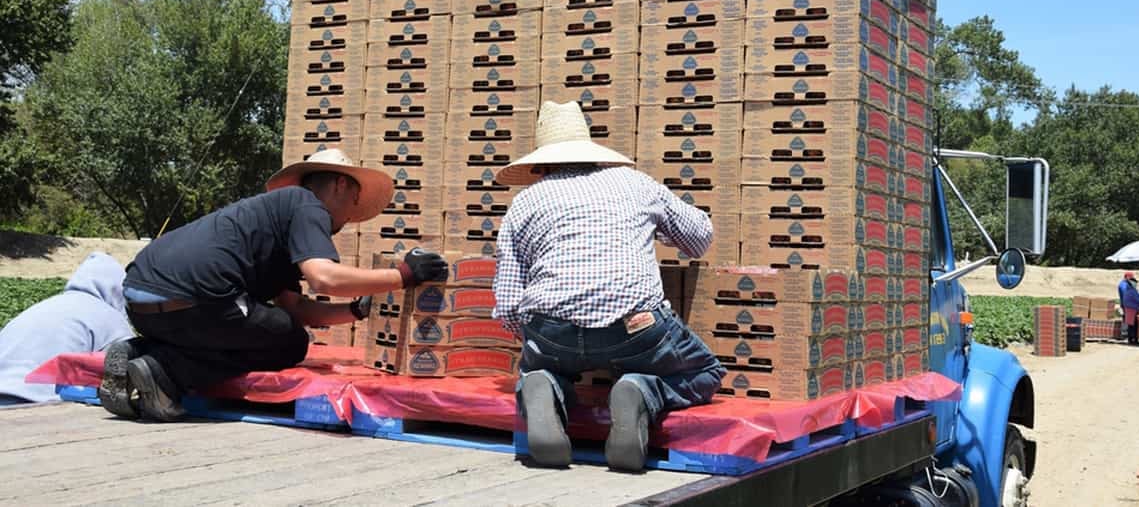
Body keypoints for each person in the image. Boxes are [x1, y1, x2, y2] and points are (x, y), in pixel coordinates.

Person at [99, 148, 449, 422]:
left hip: (140, 302)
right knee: (289, 342)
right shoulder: (309, 206)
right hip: (196, 300)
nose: (348, 220)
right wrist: (404, 275)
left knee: (277, 325)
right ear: (340, 186)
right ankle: (164, 370)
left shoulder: (278, 217)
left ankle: (137, 353)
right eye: (354, 203)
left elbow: (296, 308)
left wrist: (357, 310)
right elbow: (323, 277)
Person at [492, 101, 726, 472]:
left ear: (539, 165)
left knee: (544, 364)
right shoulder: (634, 183)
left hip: (551, 331)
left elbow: (507, 306)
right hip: (635, 329)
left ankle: (544, 383)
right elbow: (699, 238)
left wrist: (543, 339)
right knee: (706, 373)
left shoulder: (524, 203)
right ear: (593, 153)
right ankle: (642, 389)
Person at [0, 252, 134, 406]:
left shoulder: (47, 305)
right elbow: (128, 365)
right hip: (37, 401)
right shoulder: (110, 317)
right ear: (117, 289)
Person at [1118, 271, 1139, 345]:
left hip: (1130, 308)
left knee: (1132, 324)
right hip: (1130, 308)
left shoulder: (1129, 289)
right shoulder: (1128, 288)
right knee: (1132, 325)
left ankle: (1132, 339)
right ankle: (1132, 340)